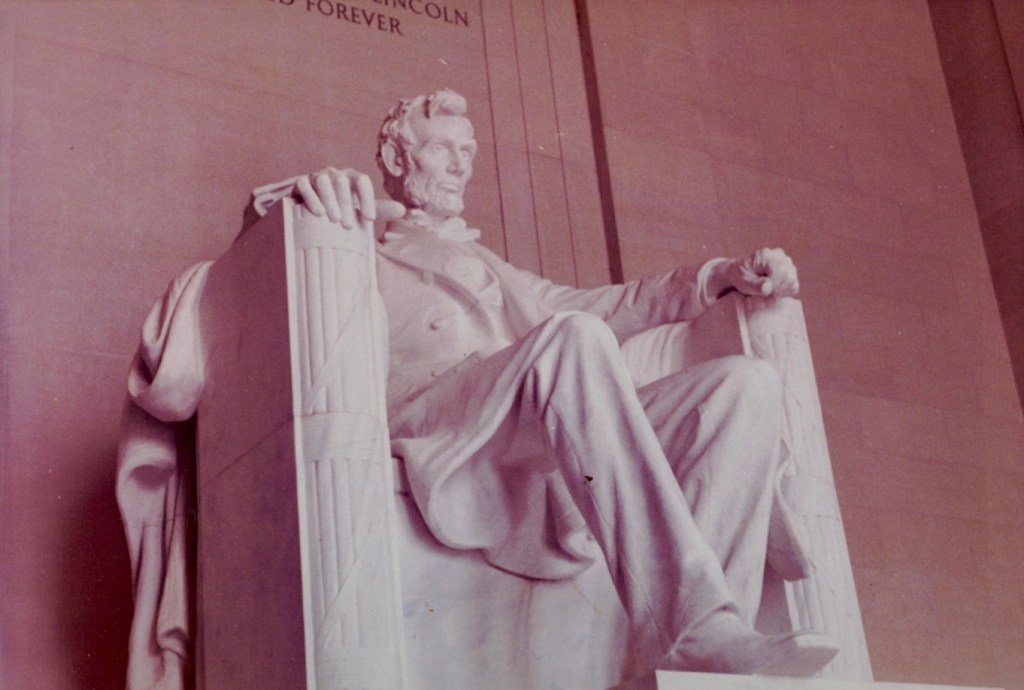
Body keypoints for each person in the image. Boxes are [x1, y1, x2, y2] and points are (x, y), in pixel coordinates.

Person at [245, 88, 838, 676]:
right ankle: (694, 625)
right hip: (438, 419)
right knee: (573, 337)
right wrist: (312, 193)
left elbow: (620, 303)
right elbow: (262, 243)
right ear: (398, 160)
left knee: (745, 387)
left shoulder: (505, 275)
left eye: (467, 152)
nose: (460, 165)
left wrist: (720, 276)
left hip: (525, 416)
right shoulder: (361, 244)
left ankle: (708, 652)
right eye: (442, 149)